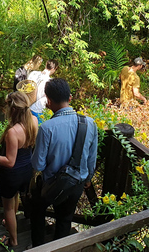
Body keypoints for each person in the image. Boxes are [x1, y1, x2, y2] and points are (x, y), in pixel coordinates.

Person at [30, 78, 98, 247]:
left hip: (51, 185)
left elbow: (38, 165)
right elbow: (92, 158)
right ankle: (60, 248)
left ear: (49, 100)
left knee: (37, 211)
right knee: (65, 219)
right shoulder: (89, 123)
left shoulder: (47, 128)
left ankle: (38, 247)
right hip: (76, 183)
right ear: (70, 97)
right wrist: (88, 178)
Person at [0, 91, 38, 247]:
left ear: (13, 109)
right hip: (26, 169)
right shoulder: (34, 121)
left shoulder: (13, 132)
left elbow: (9, 161)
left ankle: (14, 240)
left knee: (8, 208)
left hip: (12, 174)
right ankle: (11, 221)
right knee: (15, 196)